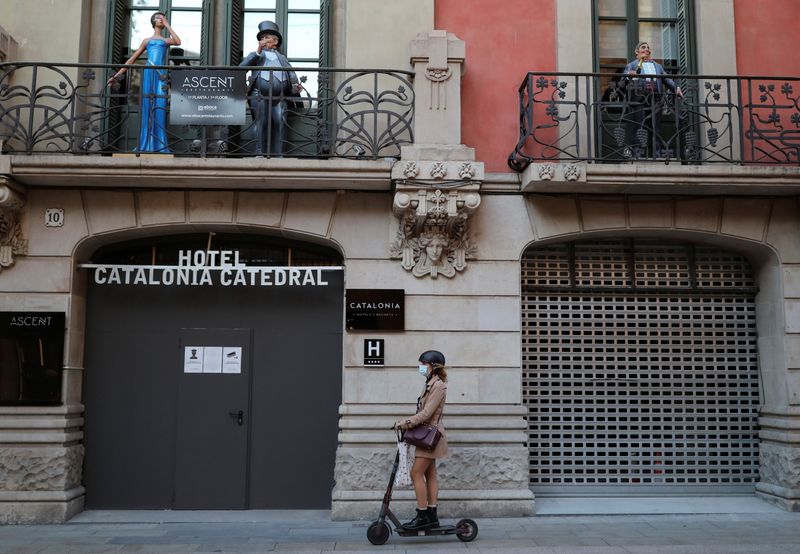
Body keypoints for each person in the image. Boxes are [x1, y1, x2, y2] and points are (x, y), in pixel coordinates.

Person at [107, 12, 181, 153]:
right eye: (159, 18)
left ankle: (160, 144)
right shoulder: (147, 41)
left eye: (163, 18)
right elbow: (131, 60)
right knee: (147, 105)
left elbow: (178, 41)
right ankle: (146, 144)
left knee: (160, 105)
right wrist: (116, 76)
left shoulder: (165, 41)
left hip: (160, 75)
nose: (162, 19)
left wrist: (168, 25)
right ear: (153, 21)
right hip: (148, 73)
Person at [394, 350, 448, 531]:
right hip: (427, 436)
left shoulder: (438, 386)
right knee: (429, 474)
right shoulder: (430, 384)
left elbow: (426, 413)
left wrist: (405, 423)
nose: (421, 367)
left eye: (424, 363)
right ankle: (432, 517)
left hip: (430, 436)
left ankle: (423, 516)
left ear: (434, 366)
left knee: (416, 473)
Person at [239, 21, 303, 156]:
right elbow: (242, 68)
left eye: (266, 37)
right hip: (259, 95)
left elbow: (291, 72)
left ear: (275, 41)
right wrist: (257, 52)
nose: (263, 40)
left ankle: (280, 154)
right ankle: (259, 152)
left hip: (280, 96)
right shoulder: (257, 55)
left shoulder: (282, 58)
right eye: (261, 38)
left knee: (281, 122)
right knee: (261, 122)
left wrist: (295, 85)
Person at [622, 42, 683, 158]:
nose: (646, 49)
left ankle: (657, 154)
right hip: (639, 99)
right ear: (637, 52)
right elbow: (623, 79)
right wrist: (629, 74)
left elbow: (667, 79)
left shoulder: (658, 66)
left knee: (656, 128)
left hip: (656, 99)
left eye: (648, 48)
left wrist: (676, 88)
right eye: (643, 47)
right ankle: (637, 154)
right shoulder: (632, 65)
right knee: (639, 126)